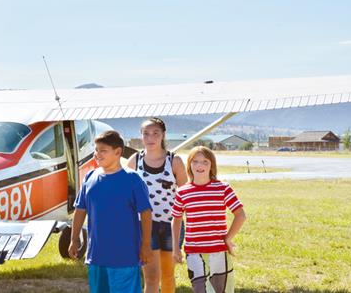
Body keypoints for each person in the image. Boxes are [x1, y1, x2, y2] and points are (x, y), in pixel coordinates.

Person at [69, 130, 153, 293]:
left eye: (103, 150)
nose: (97, 154)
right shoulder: (90, 177)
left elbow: (146, 212)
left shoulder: (132, 179)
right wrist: (74, 238)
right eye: (96, 150)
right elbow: (80, 210)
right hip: (96, 255)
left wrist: (146, 245)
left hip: (125, 256)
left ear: (118, 152)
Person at [171, 146, 247, 293]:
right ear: (189, 165)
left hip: (219, 251)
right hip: (194, 253)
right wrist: (175, 247)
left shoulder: (223, 188)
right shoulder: (182, 192)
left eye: (205, 162)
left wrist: (228, 238)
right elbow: (176, 219)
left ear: (212, 165)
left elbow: (241, 215)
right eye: (195, 161)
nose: (200, 165)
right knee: (201, 289)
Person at [126, 117, 188, 293]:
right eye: (146, 134)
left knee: (168, 275)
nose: (150, 138)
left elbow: (185, 195)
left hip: (171, 226)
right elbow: (126, 194)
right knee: (151, 277)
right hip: (144, 226)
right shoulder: (134, 161)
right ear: (141, 136)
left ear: (163, 135)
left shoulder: (174, 161)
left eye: (155, 133)